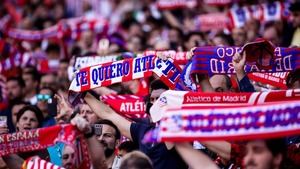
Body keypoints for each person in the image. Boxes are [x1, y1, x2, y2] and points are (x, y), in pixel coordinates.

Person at [83, 79, 188, 169]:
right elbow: (109, 114)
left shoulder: (184, 128)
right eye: (152, 99)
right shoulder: (142, 131)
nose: (155, 103)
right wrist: (82, 93)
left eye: (161, 98)